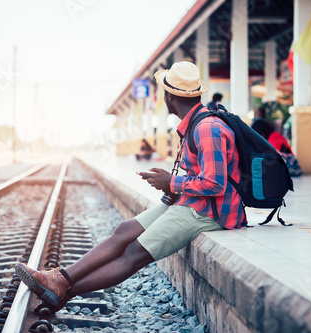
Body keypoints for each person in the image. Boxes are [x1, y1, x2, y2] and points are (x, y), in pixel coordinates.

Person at [15, 61, 247, 311]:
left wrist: (173, 182)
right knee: (124, 230)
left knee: (133, 254)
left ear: (169, 96)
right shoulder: (194, 124)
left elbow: (215, 184)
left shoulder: (207, 128)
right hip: (194, 201)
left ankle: (63, 289)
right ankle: (59, 280)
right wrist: (171, 185)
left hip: (211, 211)